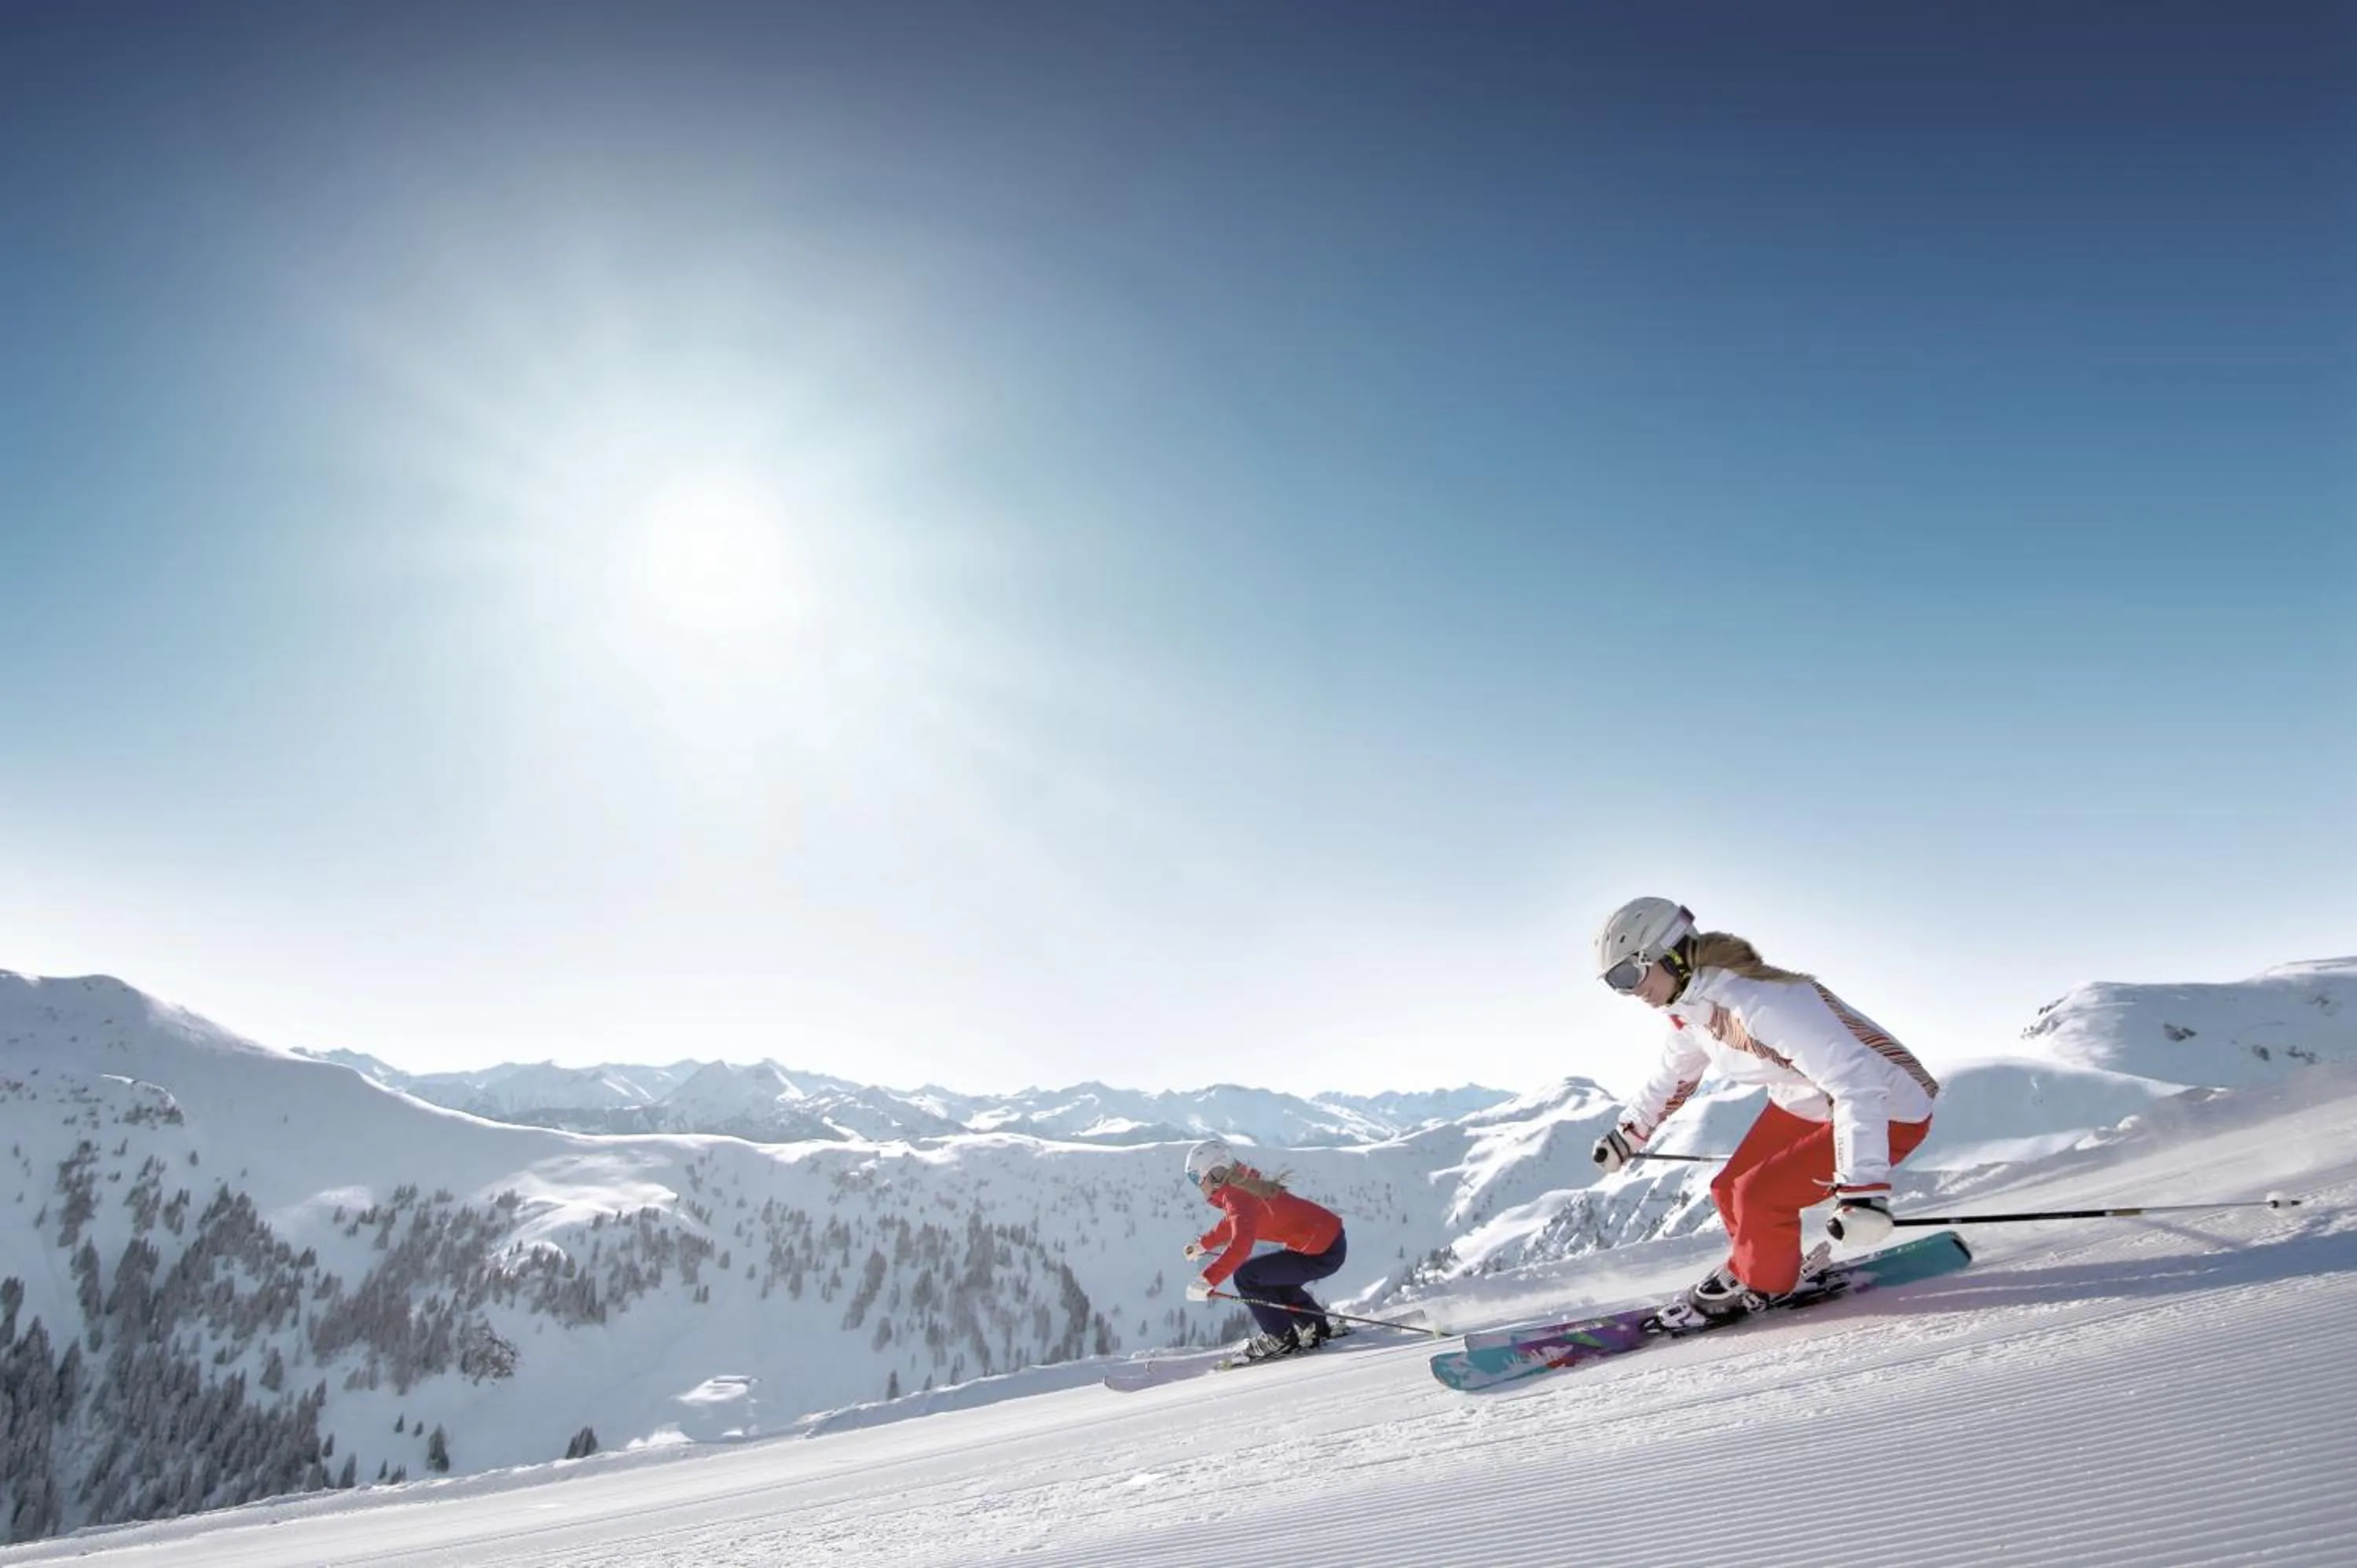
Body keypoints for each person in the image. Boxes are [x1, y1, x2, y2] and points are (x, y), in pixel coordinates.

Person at [1587, 896, 1940, 1331]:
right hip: (1806, 1102)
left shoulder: (1763, 1004)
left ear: (1672, 952)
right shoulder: (1689, 1009)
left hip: (1888, 1110)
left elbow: (1857, 1084)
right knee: (1728, 1187)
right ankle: (1764, 1268)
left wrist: (1863, 1192)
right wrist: (1629, 1134)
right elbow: (1674, 1076)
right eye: (1614, 982)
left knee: (1760, 1196)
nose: (1630, 991)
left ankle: (1765, 1283)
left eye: (1630, 974)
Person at [1180, 1138, 1348, 1359]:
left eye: (1196, 1177)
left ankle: (1279, 1337)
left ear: (1213, 1172)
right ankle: (1314, 1326)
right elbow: (1234, 1223)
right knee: (1272, 1279)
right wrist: (1203, 1244)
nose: (1198, 1185)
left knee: (1247, 1276)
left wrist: (1207, 1280)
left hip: (1322, 1250)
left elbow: (1241, 1246)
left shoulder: (1238, 1196)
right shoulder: (1240, 1186)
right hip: (1325, 1243)